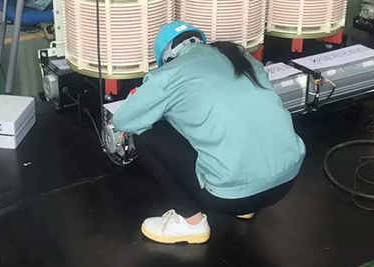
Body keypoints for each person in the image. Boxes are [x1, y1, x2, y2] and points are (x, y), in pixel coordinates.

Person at [112, 21, 306, 245]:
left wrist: (157, 105)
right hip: (286, 181)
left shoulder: (169, 74)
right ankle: (247, 209)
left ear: (166, 57)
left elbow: (124, 120)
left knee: (148, 134)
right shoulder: (240, 57)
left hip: (229, 197)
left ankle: (191, 223)